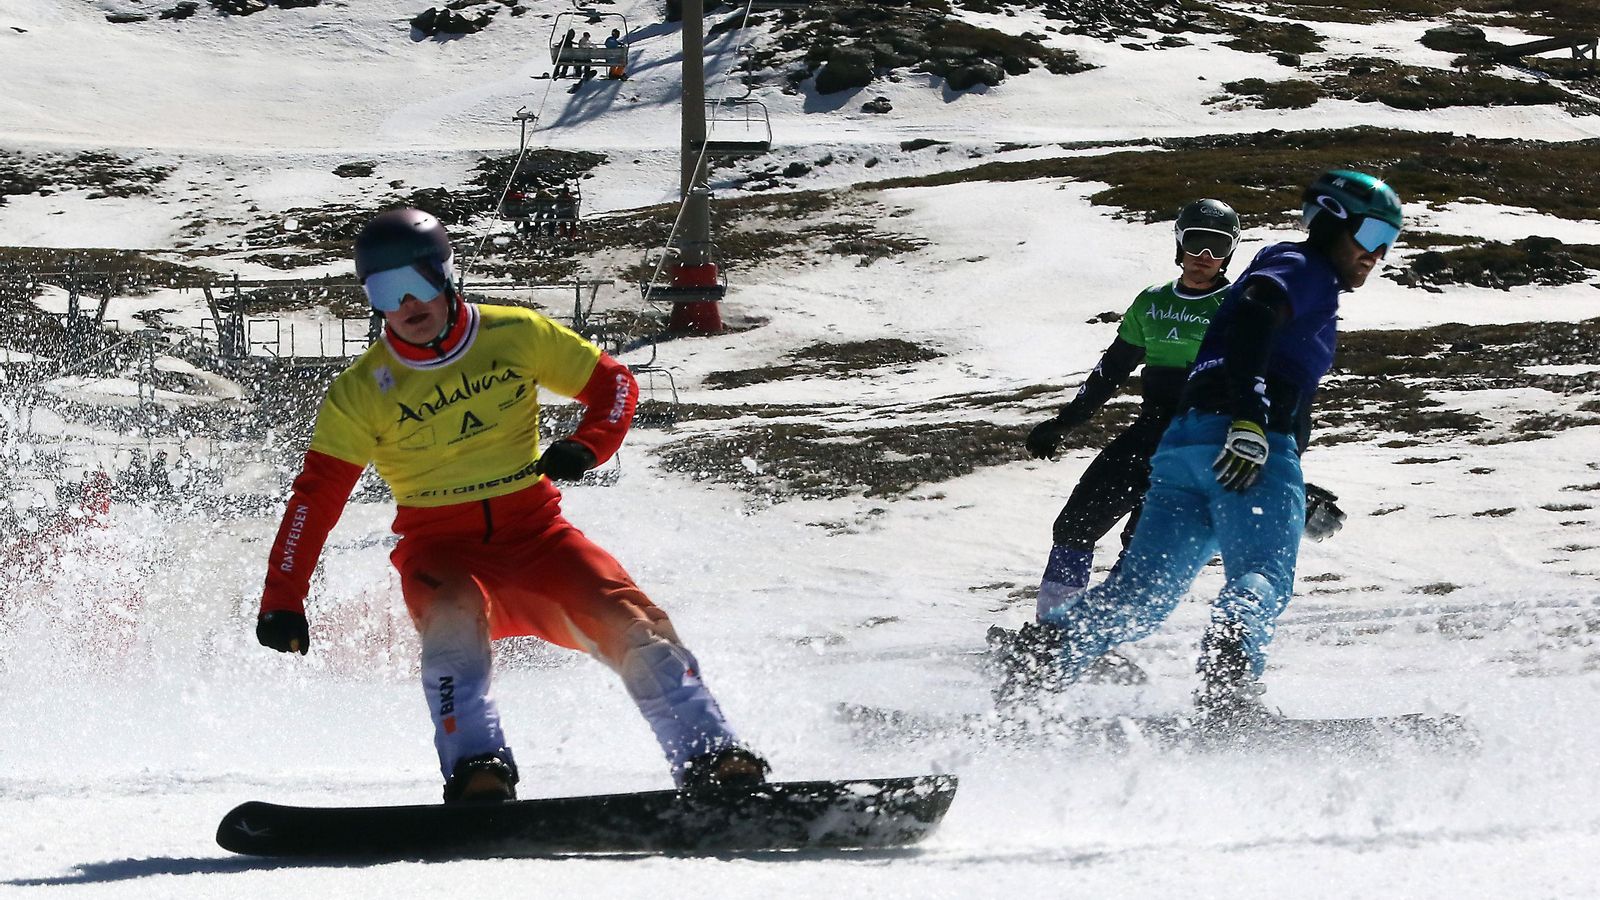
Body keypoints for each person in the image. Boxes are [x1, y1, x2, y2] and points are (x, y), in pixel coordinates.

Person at [255, 208, 768, 803]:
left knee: (633, 624)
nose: (407, 304)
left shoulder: (515, 335)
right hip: (442, 551)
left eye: (417, 282)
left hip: (539, 537)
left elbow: (615, 384)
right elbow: (313, 502)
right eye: (385, 291)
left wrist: (587, 444)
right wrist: (284, 599)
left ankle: (714, 758)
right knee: (451, 614)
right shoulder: (361, 391)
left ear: (446, 275)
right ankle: (479, 768)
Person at [999, 170, 1402, 720]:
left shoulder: (1275, 275)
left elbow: (1247, 329)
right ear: (1332, 221)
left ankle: (1034, 672)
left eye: (1389, 244)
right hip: (1244, 441)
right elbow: (1259, 312)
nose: (1377, 255)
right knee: (1263, 574)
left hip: (1186, 448)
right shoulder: (1303, 267)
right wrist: (1251, 418)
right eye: (1375, 236)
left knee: (1140, 597)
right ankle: (1228, 697)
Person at [1022, 199, 1240, 624]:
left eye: (1217, 247)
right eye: (1197, 243)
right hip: (1147, 434)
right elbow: (1111, 370)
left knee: (1142, 547)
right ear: (1179, 243)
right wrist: (1066, 421)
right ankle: (1052, 632)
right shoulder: (1152, 301)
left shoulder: (1237, 308)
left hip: (1199, 449)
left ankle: (1093, 637)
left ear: (1230, 252)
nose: (1205, 257)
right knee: (1073, 527)